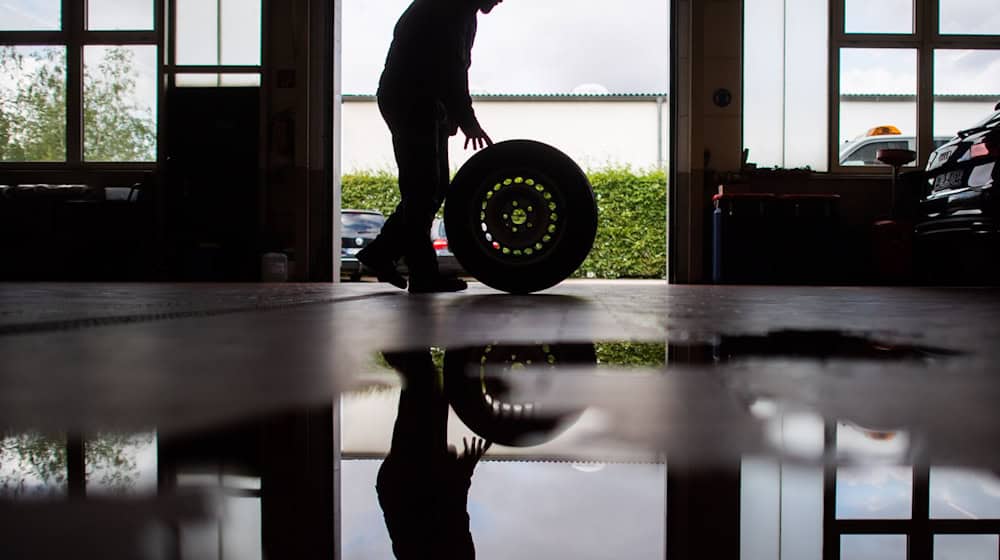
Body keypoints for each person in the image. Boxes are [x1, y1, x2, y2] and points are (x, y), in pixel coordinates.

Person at [357, 0, 503, 293]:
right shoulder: (451, 9)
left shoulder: (461, 13)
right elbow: (452, 69)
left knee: (432, 188)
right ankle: (422, 275)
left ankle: (381, 253)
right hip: (411, 100)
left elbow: (451, 69)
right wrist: (467, 119)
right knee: (423, 189)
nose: (500, 1)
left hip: (419, 101)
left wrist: (451, 115)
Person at [377, 349, 491, 559]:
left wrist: (463, 473)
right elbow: (453, 515)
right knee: (425, 385)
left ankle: (390, 333)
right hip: (409, 486)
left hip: (411, 485)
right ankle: (396, 339)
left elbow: (451, 515)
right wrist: (462, 474)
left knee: (424, 382)